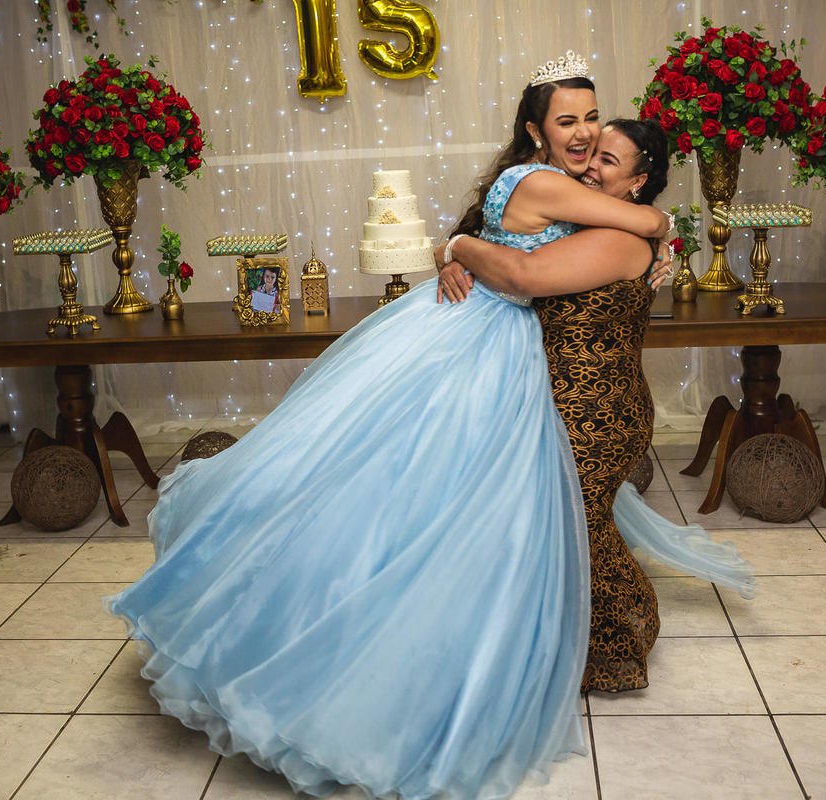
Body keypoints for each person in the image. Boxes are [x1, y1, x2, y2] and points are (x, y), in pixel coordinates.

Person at [107, 54, 682, 800]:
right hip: (483, 339)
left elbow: (565, 251)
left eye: (591, 122)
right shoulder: (548, 184)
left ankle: (516, 638)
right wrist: (474, 247)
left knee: (441, 494)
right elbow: (595, 241)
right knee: (411, 486)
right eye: (567, 122)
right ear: (536, 129)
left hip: (507, 347)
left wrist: (459, 244)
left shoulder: (567, 193)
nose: (582, 135)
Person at [438, 119, 753, 693]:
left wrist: (458, 246)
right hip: (567, 402)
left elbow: (520, 273)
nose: (589, 166)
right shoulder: (576, 225)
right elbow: (507, 251)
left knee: (578, 523)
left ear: (638, 182)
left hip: (598, 409)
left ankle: (619, 641)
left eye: (609, 161)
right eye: (590, 155)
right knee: (560, 521)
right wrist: (451, 252)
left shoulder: (617, 239)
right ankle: (564, 633)